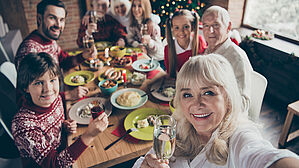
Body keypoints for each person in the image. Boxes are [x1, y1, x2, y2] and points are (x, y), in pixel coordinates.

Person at [133, 54, 299, 168]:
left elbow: (263, 156)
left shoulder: (239, 138)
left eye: (208, 92)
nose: (196, 104)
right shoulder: (176, 126)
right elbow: (146, 159)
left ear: (227, 98)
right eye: (187, 94)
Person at [12, 52, 109, 168]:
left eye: (52, 80)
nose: (48, 89)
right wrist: (89, 135)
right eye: (38, 83)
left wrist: (63, 126)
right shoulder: (23, 125)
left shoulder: (55, 99)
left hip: (67, 148)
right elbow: (56, 165)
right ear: (25, 88)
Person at [15, 0, 93, 101]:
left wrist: (84, 56)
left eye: (61, 20)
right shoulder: (29, 50)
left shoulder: (49, 40)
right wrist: (67, 95)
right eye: (52, 18)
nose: (58, 25)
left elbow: (64, 61)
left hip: (59, 92)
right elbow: (27, 98)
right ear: (40, 18)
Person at [202, 6, 253, 113]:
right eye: (206, 26)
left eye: (216, 25)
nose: (210, 31)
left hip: (226, 116)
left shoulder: (237, 58)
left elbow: (243, 104)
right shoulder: (208, 50)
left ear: (228, 27)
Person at [164, 9, 207, 77]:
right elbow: (170, 74)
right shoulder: (168, 49)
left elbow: (205, 66)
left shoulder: (199, 41)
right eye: (177, 28)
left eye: (186, 27)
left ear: (192, 27)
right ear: (172, 28)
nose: (181, 32)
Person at [126, 0, 164, 69]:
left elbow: (159, 49)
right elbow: (129, 38)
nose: (136, 9)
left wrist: (149, 42)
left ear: (145, 7)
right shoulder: (133, 23)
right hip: (144, 59)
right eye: (134, 6)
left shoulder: (153, 26)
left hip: (158, 60)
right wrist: (138, 45)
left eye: (140, 6)